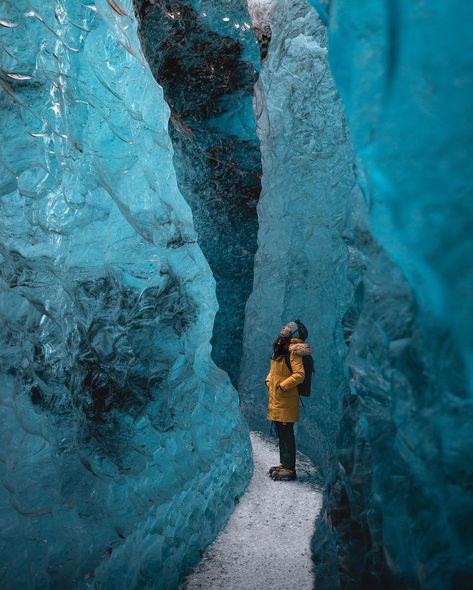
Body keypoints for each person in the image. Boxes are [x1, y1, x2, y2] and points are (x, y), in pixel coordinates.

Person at [265, 320, 312, 481]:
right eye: (286, 326)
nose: (285, 327)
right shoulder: (281, 348)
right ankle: (284, 464)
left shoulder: (294, 351)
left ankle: (289, 469)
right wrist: (268, 380)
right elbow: (275, 370)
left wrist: (282, 386)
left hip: (285, 399)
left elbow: (299, 374)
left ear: (295, 333)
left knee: (286, 434)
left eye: (289, 327)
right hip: (278, 397)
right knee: (282, 433)